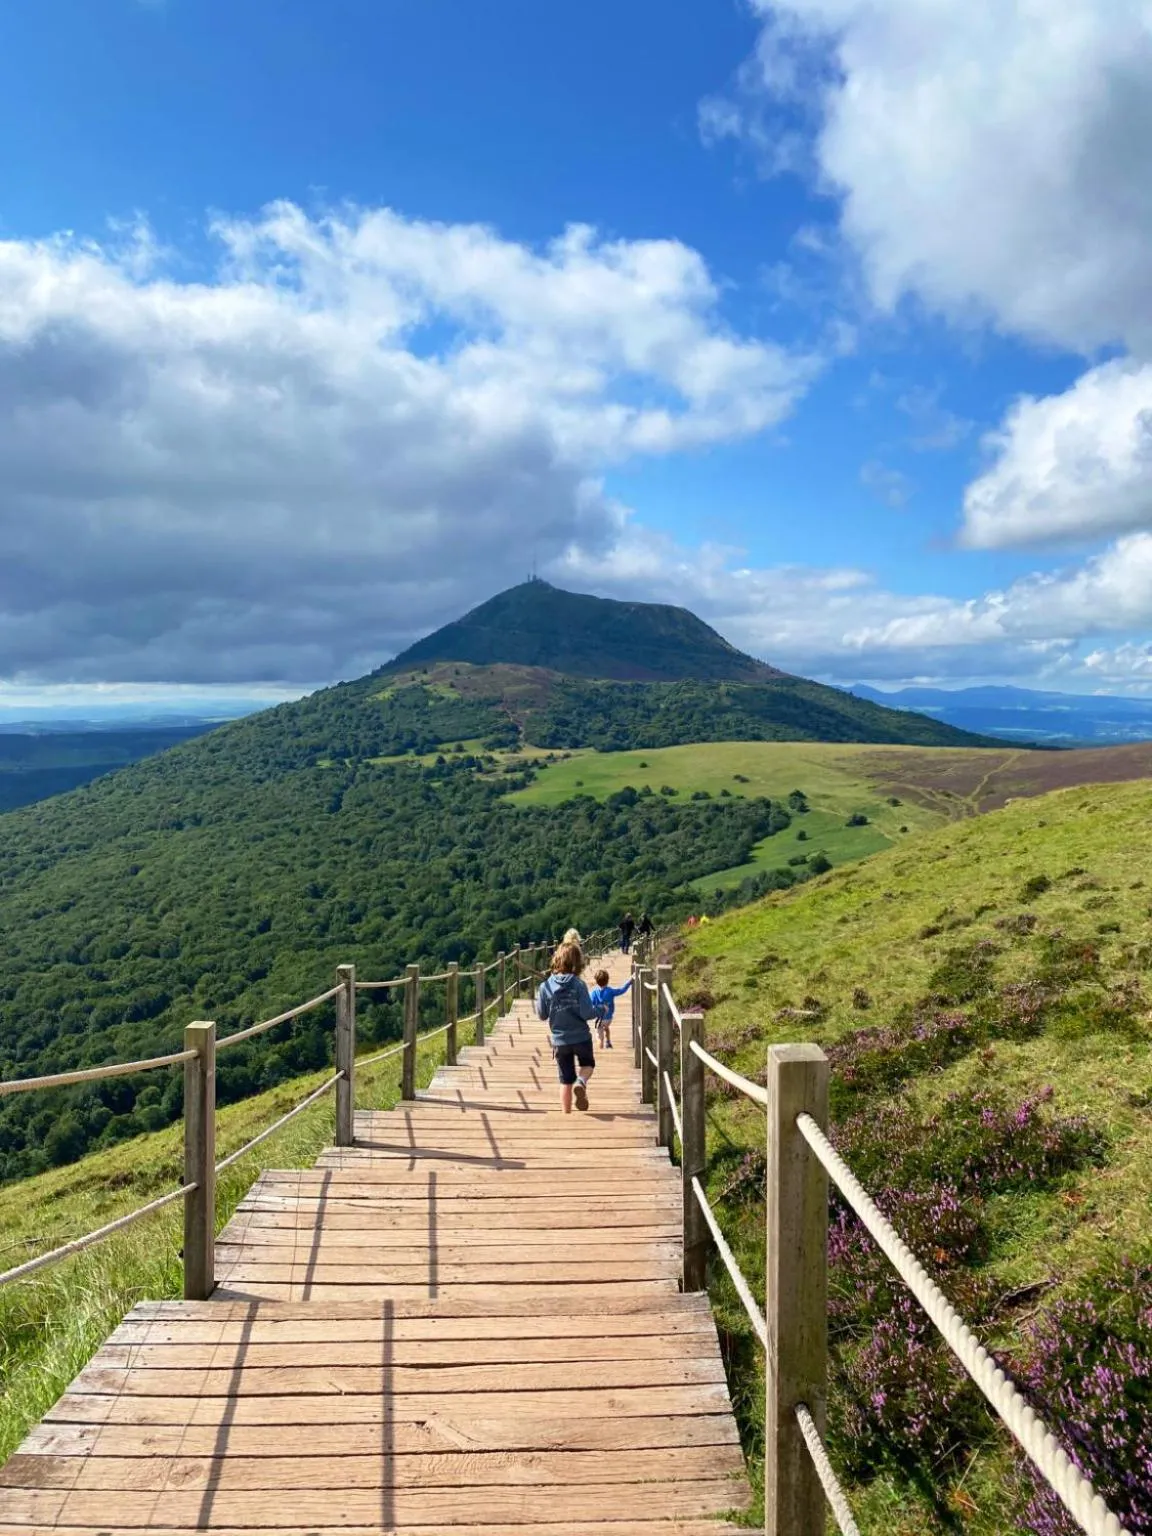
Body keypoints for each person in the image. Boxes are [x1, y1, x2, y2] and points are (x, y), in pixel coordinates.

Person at [535, 940, 604, 1112]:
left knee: (565, 1080)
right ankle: (581, 1082)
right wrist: (600, 1009)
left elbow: (542, 1015)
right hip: (581, 1037)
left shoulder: (545, 986)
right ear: (578, 962)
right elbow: (587, 1013)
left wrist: (541, 995)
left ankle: (566, 1114)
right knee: (587, 1066)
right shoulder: (579, 985)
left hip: (560, 1040)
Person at [589, 969, 632, 1049]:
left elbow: (589, 1003)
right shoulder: (610, 991)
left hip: (599, 1019)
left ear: (596, 981)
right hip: (609, 1019)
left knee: (599, 1036)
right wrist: (629, 982)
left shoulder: (593, 993)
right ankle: (608, 1042)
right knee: (606, 1027)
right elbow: (622, 990)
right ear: (607, 981)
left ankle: (601, 1048)